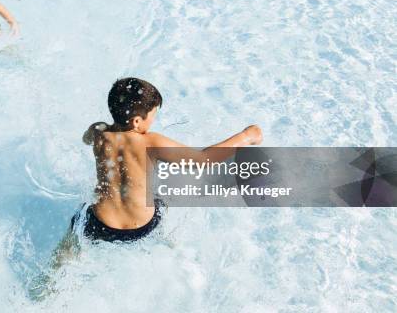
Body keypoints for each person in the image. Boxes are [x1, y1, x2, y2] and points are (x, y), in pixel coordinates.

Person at [50, 77, 263, 267]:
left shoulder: (99, 132)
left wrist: (99, 131)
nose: (153, 121)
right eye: (153, 115)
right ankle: (172, 246)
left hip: (101, 225)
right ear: (136, 121)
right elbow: (203, 160)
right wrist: (245, 136)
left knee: (75, 228)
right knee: (161, 200)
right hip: (141, 226)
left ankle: (58, 269)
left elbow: (86, 139)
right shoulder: (150, 141)